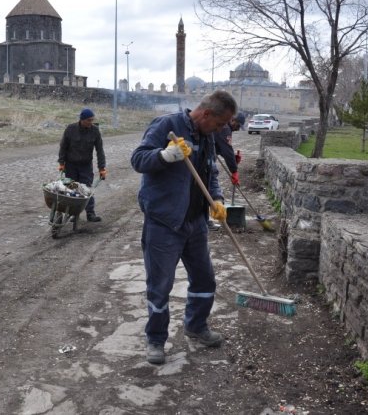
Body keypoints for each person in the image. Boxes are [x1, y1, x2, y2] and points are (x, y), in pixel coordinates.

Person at [130, 91, 237, 365]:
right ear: (206, 114)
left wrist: (217, 199)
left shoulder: (207, 136)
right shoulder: (167, 126)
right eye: (218, 124)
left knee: (204, 279)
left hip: (195, 222)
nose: (220, 129)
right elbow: (138, 160)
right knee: (160, 286)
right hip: (164, 224)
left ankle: (196, 325)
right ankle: (156, 339)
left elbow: (210, 172)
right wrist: (166, 155)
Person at [58, 108, 107, 222]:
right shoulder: (70, 129)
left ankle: (90, 213)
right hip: (71, 165)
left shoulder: (95, 131)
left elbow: (100, 150)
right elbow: (63, 147)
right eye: (89, 120)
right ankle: (72, 214)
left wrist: (102, 168)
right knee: (71, 189)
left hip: (85, 165)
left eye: (92, 120)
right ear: (82, 120)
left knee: (86, 189)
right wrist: (61, 163)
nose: (91, 122)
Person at [209, 112, 246, 230]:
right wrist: (234, 170)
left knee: (203, 188)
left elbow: (221, 148)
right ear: (233, 121)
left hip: (207, 157)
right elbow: (227, 150)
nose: (238, 129)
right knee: (204, 188)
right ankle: (204, 221)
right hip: (205, 160)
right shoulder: (225, 128)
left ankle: (204, 221)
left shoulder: (223, 126)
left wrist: (233, 159)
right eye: (238, 126)